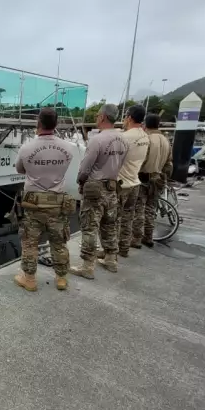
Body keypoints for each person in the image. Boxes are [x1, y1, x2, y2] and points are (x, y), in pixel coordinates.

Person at [13, 107, 76, 292]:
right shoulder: (68, 148)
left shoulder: (26, 147)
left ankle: (30, 279)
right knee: (59, 242)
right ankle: (61, 278)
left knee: (30, 242)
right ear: (56, 124)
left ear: (38, 123)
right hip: (57, 201)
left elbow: (20, 169)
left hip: (33, 203)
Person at [71, 103, 128, 278]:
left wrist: (80, 182)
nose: (96, 118)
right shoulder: (124, 140)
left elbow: (85, 168)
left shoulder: (97, 140)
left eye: (97, 116)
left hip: (95, 188)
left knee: (90, 226)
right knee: (109, 224)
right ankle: (111, 259)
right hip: (112, 186)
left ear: (103, 117)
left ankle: (87, 266)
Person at [133, 112, 173, 247]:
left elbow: (142, 160)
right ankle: (148, 236)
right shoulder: (166, 140)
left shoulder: (147, 139)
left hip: (144, 177)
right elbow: (169, 163)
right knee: (151, 208)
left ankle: (136, 238)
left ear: (145, 124)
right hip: (160, 178)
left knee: (139, 208)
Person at [115, 105, 150, 256]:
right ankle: (124, 248)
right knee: (128, 218)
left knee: (114, 219)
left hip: (122, 184)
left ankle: (111, 251)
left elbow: (113, 160)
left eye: (125, 116)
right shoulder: (145, 136)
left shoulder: (124, 137)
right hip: (135, 182)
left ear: (129, 117)